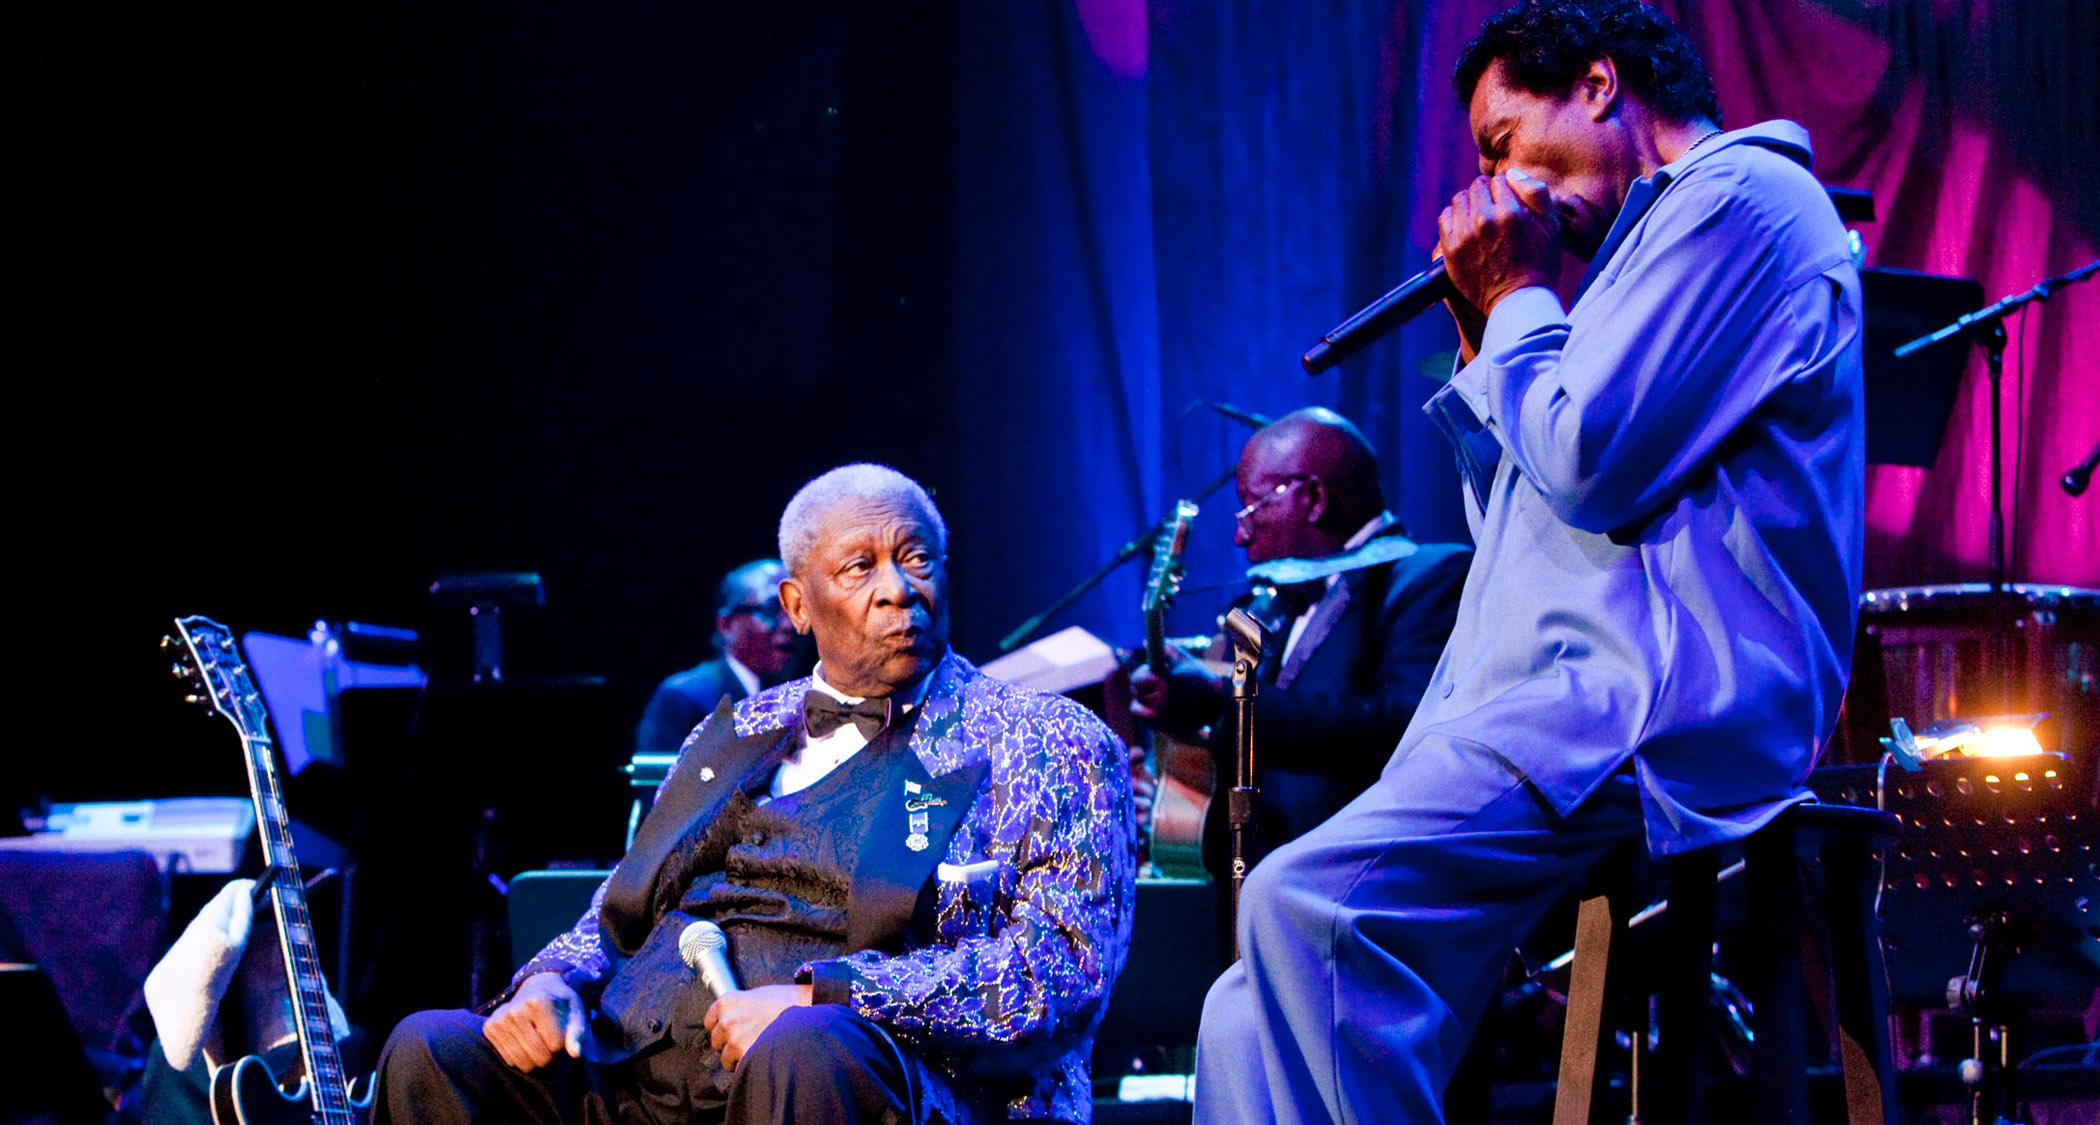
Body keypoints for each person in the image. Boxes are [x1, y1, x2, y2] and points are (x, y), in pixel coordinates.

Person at [1193, 2, 1865, 1121]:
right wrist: (1484, 331)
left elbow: (1589, 460)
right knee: (1239, 1010)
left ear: (1599, 85)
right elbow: (1524, 505)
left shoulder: (1740, 202)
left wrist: (1518, 299)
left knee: (1304, 908)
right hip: (1547, 700)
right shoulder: (1632, 262)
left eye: (1502, 141)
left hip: (1646, 697)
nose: (1499, 179)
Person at [377, 464, 1138, 1125]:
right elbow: (617, 914)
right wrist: (550, 982)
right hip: (644, 1067)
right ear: (797, 605)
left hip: (852, 1074)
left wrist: (828, 996)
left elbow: (1059, 972)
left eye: (916, 559)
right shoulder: (734, 732)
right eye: (860, 567)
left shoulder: (1039, 738)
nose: (897, 591)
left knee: (802, 1054)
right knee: (430, 1049)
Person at [1128, 407, 1471, 876]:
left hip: (1356, 879)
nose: (1239, 533)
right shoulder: (1271, 602)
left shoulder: (1430, 576)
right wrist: (1176, 780)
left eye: (1252, 507)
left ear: (1312, 498)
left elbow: (1400, 725)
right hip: (1252, 886)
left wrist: (1221, 700)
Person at [633, 560, 808, 759]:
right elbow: (657, 785)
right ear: (726, 625)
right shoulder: (683, 697)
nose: (789, 625)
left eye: (796, 610)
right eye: (769, 610)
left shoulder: (802, 696)